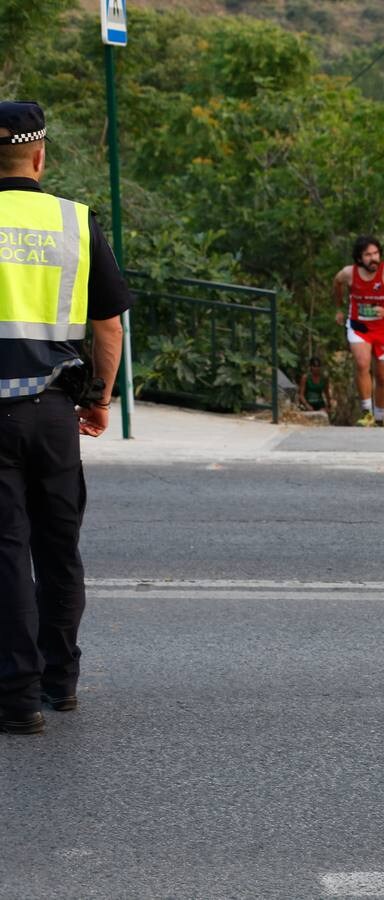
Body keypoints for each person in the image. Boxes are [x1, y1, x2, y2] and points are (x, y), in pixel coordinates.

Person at [0, 101, 131, 735]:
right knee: (58, 546)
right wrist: (99, 398)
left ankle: (17, 698)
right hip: (54, 411)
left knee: (5, 549)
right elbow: (108, 324)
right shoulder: (75, 223)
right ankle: (61, 683)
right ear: (40, 155)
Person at [332, 236, 384, 427]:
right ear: (359, 258)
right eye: (368, 255)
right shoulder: (349, 273)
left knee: (382, 376)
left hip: (383, 328)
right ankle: (367, 413)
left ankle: (380, 417)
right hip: (359, 326)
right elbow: (336, 283)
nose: (373, 258)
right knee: (362, 363)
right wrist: (339, 308)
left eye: (376, 253)